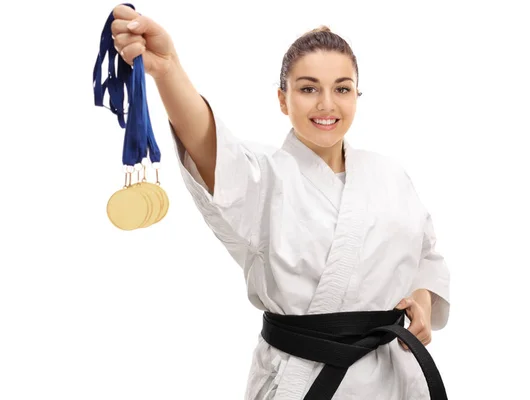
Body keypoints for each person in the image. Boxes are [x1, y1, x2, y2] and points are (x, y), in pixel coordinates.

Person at [111, 4, 450, 399]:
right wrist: (167, 69)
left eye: (342, 88)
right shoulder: (265, 176)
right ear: (282, 99)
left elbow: (424, 254)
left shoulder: (391, 174)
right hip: (304, 378)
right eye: (308, 89)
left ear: (356, 95)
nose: (327, 104)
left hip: (395, 378)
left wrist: (422, 305)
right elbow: (211, 145)